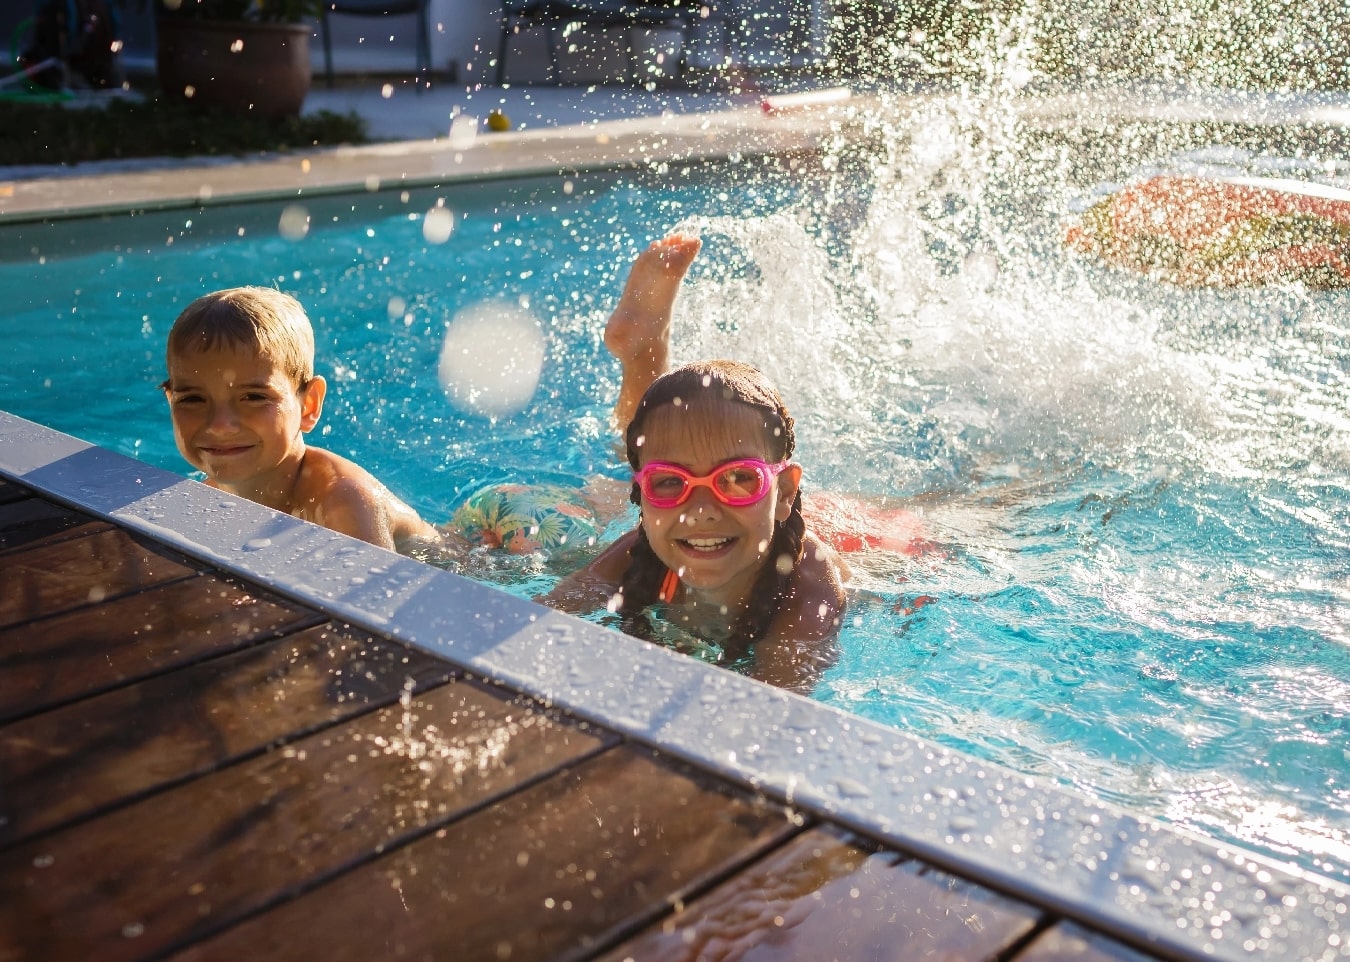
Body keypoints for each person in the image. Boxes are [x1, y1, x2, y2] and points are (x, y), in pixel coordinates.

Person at [161, 286, 442, 554]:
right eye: (192, 399)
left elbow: (381, 597)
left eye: (254, 397)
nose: (219, 425)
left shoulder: (345, 500)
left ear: (308, 405)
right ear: (170, 400)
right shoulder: (204, 497)